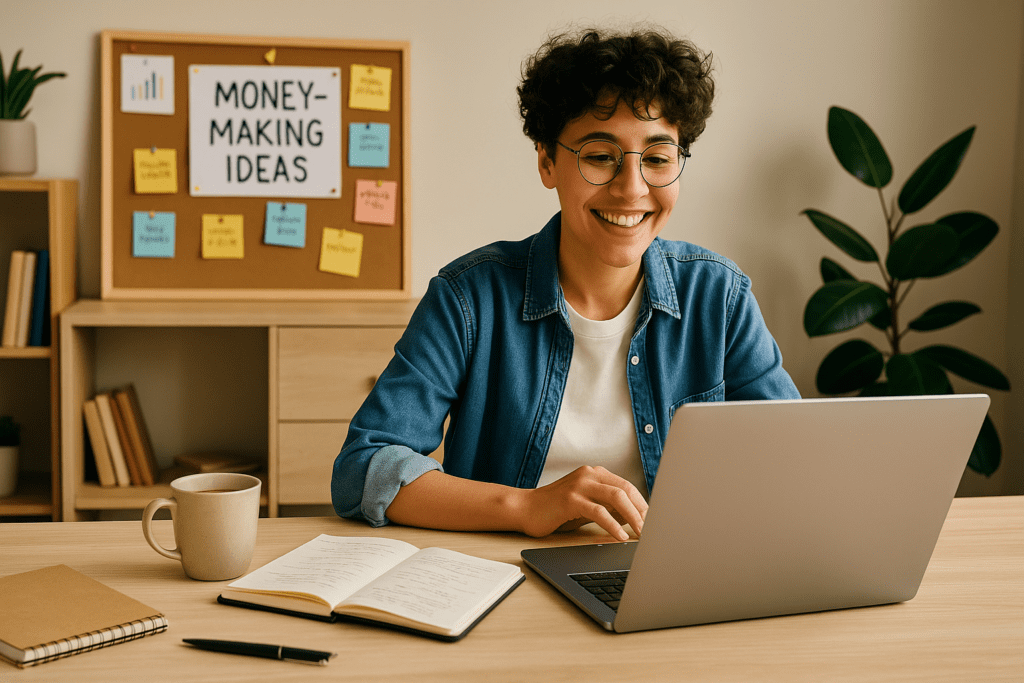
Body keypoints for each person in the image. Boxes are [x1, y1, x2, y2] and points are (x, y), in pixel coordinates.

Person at [332, 25, 799, 542]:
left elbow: (798, 460)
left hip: (676, 581)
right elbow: (364, 467)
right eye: (600, 157)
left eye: (659, 159)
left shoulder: (720, 298)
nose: (632, 188)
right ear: (547, 162)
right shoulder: (469, 299)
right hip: (503, 581)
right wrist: (526, 507)